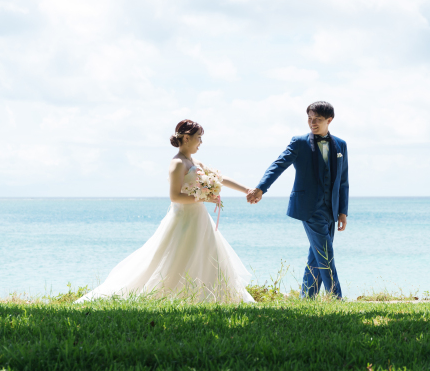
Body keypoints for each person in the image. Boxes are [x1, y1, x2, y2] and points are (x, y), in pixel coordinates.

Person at [76, 119, 256, 304]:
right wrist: (204, 197)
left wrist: (247, 190)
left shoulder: (195, 161)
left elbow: (220, 178)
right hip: (184, 219)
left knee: (206, 255)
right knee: (177, 257)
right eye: (198, 138)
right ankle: (177, 295)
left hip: (200, 217)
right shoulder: (177, 164)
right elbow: (175, 196)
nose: (201, 142)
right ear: (186, 138)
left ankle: (209, 296)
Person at [247, 101, 349, 299]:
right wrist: (261, 188)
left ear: (329, 120)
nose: (312, 123)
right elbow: (279, 165)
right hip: (309, 208)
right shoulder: (299, 142)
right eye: (309, 119)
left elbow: (343, 181)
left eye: (317, 119)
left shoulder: (341, 145)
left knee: (317, 255)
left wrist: (342, 211)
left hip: (331, 210)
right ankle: (336, 299)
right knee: (326, 254)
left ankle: (307, 298)